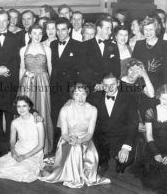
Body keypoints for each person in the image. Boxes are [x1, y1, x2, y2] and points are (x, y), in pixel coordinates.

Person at [40, 83, 111, 188]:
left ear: (87, 94)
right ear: (72, 95)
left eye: (83, 94)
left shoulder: (92, 110)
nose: (80, 97)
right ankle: (73, 177)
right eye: (77, 94)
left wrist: (80, 140)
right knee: (75, 148)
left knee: (79, 147)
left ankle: (85, 174)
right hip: (67, 139)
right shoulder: (65, 110)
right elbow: (64, 134)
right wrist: (72, 140)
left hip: (85, 139)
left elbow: (90, 134)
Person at [91, 73, 138, 173]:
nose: (109, 88)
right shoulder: (95, 97)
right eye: (106, 85)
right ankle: (103, 160)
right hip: (102, 138)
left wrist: (126, 148)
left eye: (112, 84)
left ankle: (119, 161)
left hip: (120, 137)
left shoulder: (129, 99)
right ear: (102, 86)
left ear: (118, 83)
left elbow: (133, 125)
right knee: (95, 161)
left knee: (125, 160)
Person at [18, 24, 53, 154]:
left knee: (43, 111)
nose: (37, 36)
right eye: (35, 33)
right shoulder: (23, 49)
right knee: (27, 111)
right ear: (30, 34)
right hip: (27, 82)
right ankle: (27, 146)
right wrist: (20, 87)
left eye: (40, 33)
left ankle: (44, 148)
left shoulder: (47, 49)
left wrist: (50, 85)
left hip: (43, 82)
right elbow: (22, 69)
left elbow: (50, 68)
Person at [0, 96, 44, 182]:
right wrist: (13, 151)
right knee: (2, 167)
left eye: (24, 106)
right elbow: (12, 141)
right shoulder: (15, 123)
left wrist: (24, 156)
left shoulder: (38, 122)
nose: (21, 109)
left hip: (33, 152)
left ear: (29, 107)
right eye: (19, 106)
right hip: (19, 149)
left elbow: (41, 145)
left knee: (24, 172)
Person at [50, 17, 83, 150]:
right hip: (54, 88)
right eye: (58, 30)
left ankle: (68, 148)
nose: (60, 33)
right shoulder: (52, 45)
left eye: (63, 30)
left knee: (69, 119)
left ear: (69, 30)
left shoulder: (78, 45)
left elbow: (80, 70)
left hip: (70, 89)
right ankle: (55, 147)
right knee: (55, 117)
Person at [132, 17, 167, 89]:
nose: (148, 32)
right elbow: (133, 64)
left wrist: (166, 86)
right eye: (146, 29)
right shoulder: (139, 44)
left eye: (151, 29)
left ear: (156, 30)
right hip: (141, 83)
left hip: (159, 83)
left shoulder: (165, 44)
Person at [81, 18, 120, 88]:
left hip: (109, 87)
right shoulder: (84, 46)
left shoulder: (114, 46)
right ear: (99, 29)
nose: (110, 32)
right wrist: (95, 85)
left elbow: (117, 70)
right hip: (91, 88)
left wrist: (110, 85)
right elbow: (83, 70)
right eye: (107, 29)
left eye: (111, 29)